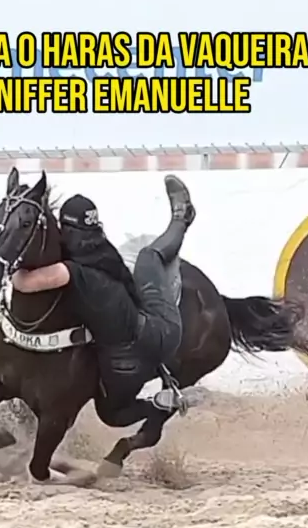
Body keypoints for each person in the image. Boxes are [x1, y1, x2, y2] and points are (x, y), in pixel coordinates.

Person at [12, 174, 196, 427]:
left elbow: (22, 282)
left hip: (141, 344)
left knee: (114, 415)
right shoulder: (101, 251)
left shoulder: (70, 272)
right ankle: (181, 219)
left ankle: (160, 403)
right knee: (149, 255)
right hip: (150, 330)